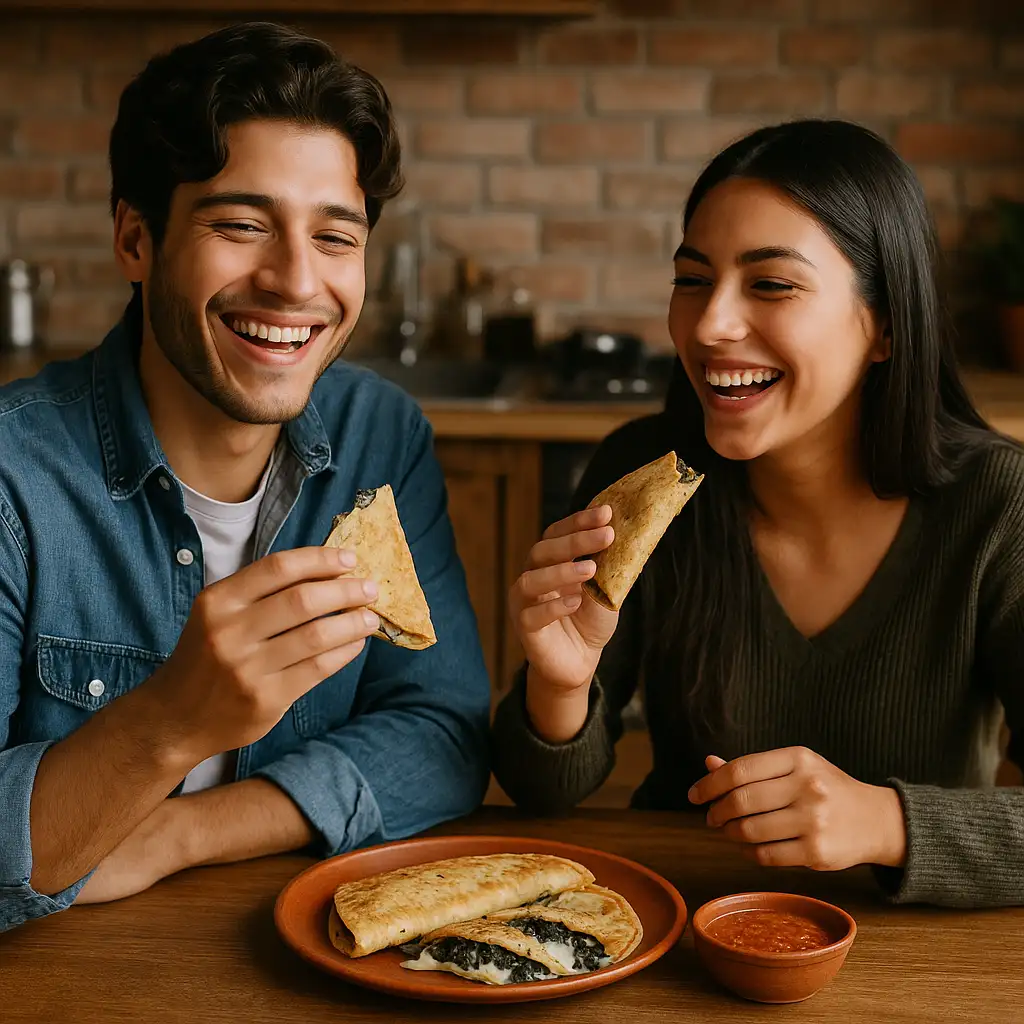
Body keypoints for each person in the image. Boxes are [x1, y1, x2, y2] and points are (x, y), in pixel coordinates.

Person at [0, 22, 490, 933]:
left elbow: (442, 733)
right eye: (241, 225)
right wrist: (173, 721)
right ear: (136, 239)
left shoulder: (380, 436)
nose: (296, 282)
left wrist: (181, 833)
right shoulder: (12, 480)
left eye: (334, 237)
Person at [492, 119, 1024, 909]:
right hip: (680, 921)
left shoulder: (999, 505)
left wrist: (888, 823)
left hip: (909, 946)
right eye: (692, 279)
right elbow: (540, 795)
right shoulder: (640, 481)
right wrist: (562, 687)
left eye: (771, 284)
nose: (710, 326)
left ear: (884, 324)